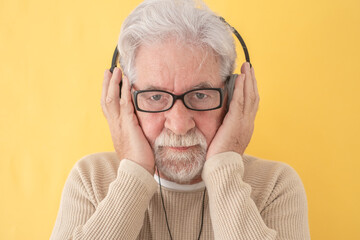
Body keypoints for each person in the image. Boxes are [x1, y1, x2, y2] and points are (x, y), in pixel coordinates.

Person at [51, 0, 310, 239]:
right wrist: (135, 171)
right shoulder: (92, 179)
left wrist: (224, 170)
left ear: (232, 96)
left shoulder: (275, 185)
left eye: (200, 95)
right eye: (155, 97)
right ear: (125, 100)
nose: (179, 124)